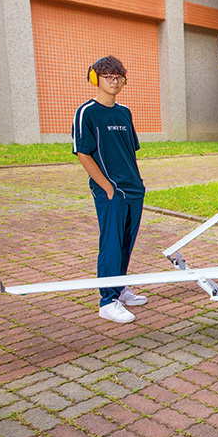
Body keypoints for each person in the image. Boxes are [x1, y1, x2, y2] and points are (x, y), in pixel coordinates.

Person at [72, 56, 146, 324]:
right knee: (111, 244)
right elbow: (83, 153)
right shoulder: (87, 112)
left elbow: (130, 151)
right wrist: (107, 187)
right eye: (109, 78)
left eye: (119, 78)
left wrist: (137, 183)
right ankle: (107, 301)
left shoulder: (124, 112)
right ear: (96, 79)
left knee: (126, 242)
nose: (115, 83)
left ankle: (119, 288)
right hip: (110, 192)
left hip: (133, 190)